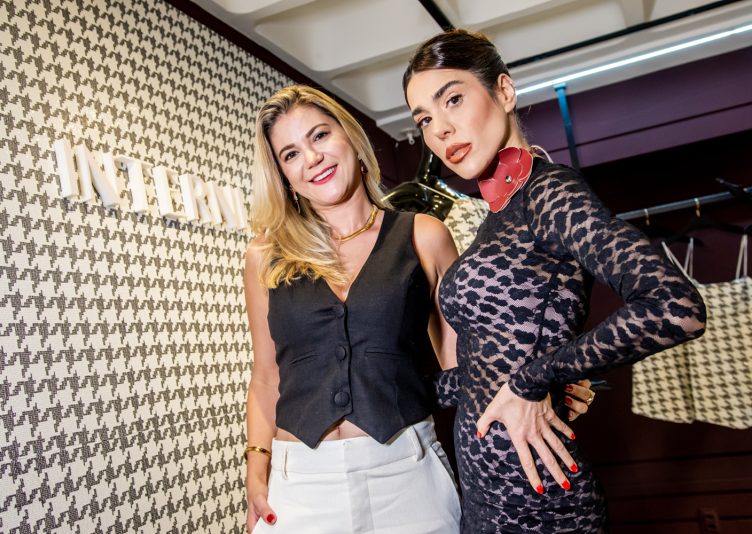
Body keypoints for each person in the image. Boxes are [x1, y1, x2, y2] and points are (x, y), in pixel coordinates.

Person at [242, 84, 595, 533]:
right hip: (301, 485)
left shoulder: (424, 235)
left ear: (350, 137)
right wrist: (256, 468)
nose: (311, 158)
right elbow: (266, 377)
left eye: (320, 135)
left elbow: (464, 368)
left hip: (408, 474)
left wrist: (543, 383)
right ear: (283, 176)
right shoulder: (264, 256)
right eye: (290, 154)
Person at [403, 29, 707, 532]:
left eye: (452, 99)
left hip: (543, 507)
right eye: (424, 120)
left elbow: (675, 307)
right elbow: (486, 373)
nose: (441, 130)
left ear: (504, 91)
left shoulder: (549, 192)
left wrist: (537, 377)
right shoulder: (495, 217)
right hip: (482, 502)